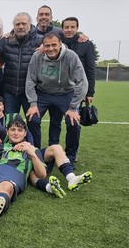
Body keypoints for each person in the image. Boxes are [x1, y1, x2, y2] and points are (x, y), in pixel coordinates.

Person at [25, 32, 88, 149]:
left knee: (73, 122)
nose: (51, 48)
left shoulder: (71, 56)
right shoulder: (37, 56)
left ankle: (71, 155)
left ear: (60, 44)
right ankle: (35, 150)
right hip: (43, 93)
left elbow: (82, 82)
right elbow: (30, 81)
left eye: (54, 45)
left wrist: (73, 107)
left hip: (65, 93)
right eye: (47, 46)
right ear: (43, 46)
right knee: (32, 119)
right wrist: (33, 104)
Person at [48, 17, 96, 163]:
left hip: (75, 91)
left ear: (77, 28)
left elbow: (90, 68)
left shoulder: (85, 43)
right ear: (61, 28)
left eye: (72, 27)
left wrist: (89, 92)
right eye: (66, 27)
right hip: (56, 90)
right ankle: (53, 150)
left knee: (73, 123)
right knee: (55, 121)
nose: (69, 30)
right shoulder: (56, 42)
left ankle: (71, 154)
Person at [0, 12, 43, 115]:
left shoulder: (40, 40)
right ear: (13, 26)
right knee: (10, 121)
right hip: (10, 91)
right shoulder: (6, 41)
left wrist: (46, 46)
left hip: (31, 91)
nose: (21, 27)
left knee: (33, 122)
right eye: (17, 24)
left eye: (23, 23)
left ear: (30, 25)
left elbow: (61, 47)